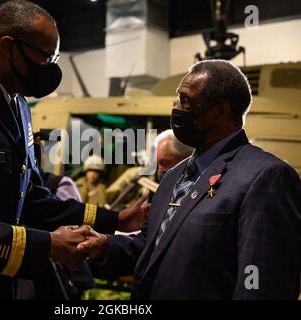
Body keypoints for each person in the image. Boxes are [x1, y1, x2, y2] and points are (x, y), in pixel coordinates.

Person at [0, 0, 148, 299]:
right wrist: (46, 245)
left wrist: (116, 219)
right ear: (8, 47)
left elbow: (31, 197)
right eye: (45, 56)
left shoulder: (18, 104)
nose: (50, 68)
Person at [77, 59, 301, 299]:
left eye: (187, 101)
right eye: (177, 100)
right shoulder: (173, 176)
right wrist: (105, 245)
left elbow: (261, 283)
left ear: (221, 111)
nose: (177, 108)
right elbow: (155, 247)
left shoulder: (265, 176)